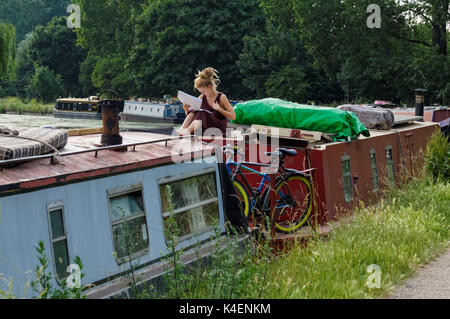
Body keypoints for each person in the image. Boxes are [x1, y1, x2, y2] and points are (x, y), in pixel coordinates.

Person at [177, 67, 236, 137]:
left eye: (203, 91)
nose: (203, 93)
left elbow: (233, 116)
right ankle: (183, 129)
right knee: (194, 111)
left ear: (210, 86)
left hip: (218, 128)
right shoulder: (202, 97)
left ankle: (188, 130)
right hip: (205, 127)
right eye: (201, 92)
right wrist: (186, 109)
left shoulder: (221, 97)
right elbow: (195, 116)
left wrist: (219, 109)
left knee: (202, 112)